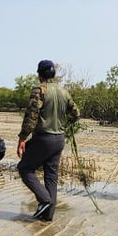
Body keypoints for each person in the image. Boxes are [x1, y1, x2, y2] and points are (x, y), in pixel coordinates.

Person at [17, 59, 80, 221]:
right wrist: (63, 124)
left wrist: (22, 137)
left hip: (43, 138)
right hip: (59, 139)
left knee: (25, 168)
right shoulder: (64, 92)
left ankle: (44, 200)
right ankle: (48, 215)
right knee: (51, 176)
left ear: (39, 74)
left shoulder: (40, 90)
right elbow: (76, 114)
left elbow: (32, 116)